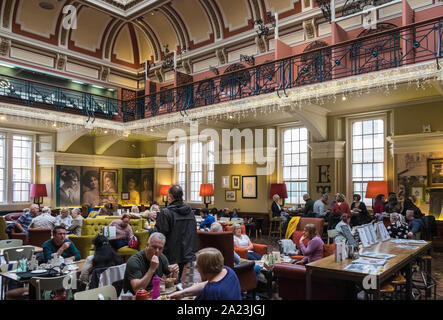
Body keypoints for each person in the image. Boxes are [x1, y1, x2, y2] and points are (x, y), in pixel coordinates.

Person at [155, 184, 197, 283]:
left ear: (170, 196)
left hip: (171, 255)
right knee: (188, 284)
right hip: (189, 254)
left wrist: (151, 230)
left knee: (170, 285)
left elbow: (160, 235)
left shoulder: (166, 213)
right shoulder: (190, 212)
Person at [169, 247, 242, 300]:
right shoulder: (228, 271)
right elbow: (206, 283)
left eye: (198, 265)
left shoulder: (211, 292)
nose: (196, 266)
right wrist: (183, 293)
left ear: (205, 267)